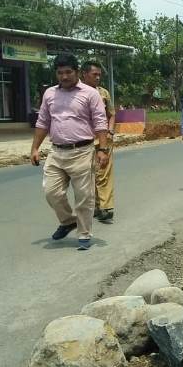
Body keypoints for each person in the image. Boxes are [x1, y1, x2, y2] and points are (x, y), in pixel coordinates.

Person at [31, 53, 109, 251]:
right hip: (56, 152)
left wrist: (102, 149)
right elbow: (43, 122)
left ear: (77, 72)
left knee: (84, 196)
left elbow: (100, 122)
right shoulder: (49, 94)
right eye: (60, 73)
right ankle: (67, 221)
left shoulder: (90, 94)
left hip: (82, 151)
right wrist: (35, 148)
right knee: (51, 192)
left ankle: (84, 233)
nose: (64, 77)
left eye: (68, 72)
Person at [81, 61, 117, 223]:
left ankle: (105, 207)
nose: (97, 77)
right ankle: (96, 206)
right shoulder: (76, 93)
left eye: (99, 75)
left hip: (103, 140)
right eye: (94, 74)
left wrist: (110, 131)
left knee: (103, 174)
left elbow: (112, 114)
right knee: (89, 176)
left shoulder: (103, 93)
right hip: (83, 141)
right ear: (84, 74)